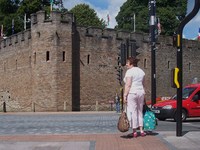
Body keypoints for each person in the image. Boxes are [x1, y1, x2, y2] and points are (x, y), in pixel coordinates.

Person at [123, 57, 146, 138]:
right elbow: (143, 84)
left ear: (131, 64)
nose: (126, 64)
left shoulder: (129, 72)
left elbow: (128, 84)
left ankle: (134, 131)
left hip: (132, 92)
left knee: (133, 112)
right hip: (141, 92)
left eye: (127, 63)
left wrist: (125, 95)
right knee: (140, 111)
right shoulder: (142, 72)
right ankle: (142, 130)